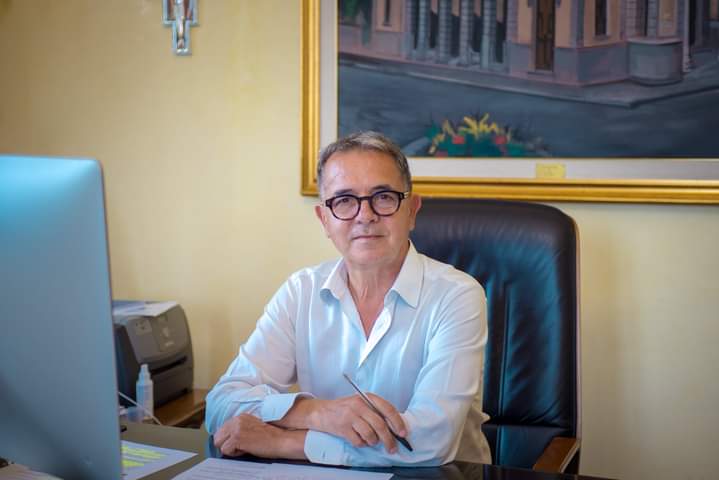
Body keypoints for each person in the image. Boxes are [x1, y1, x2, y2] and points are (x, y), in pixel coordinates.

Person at [205, 131, 491, 467]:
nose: (365, 215)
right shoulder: (301, 292)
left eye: (383, 197)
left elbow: (430, 443)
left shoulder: (457, 295)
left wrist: (282, 440)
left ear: (412, 211)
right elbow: (221, 403)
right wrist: (316, 412)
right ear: (324, 220)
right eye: (344, 200)